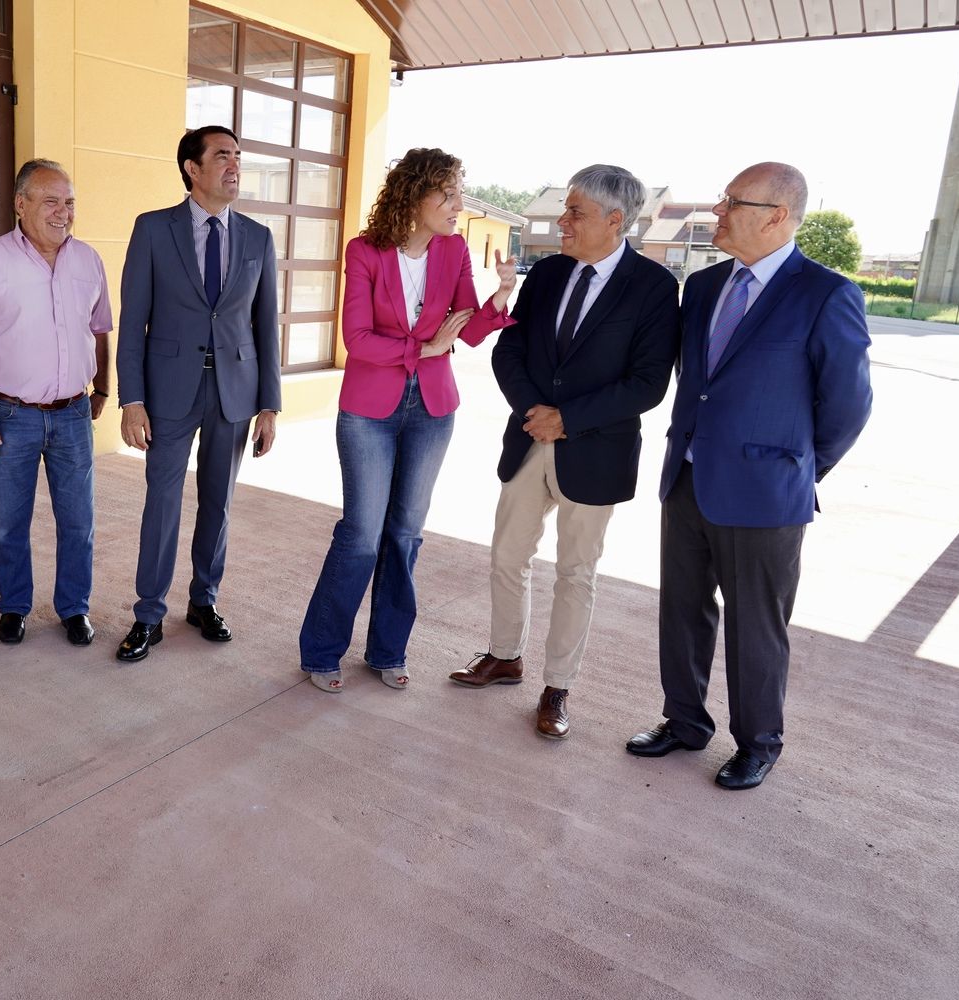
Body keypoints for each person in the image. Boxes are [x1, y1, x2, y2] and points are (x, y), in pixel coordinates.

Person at [626, 162, 872, 790]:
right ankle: (683, 722)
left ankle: (759, 741)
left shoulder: (825, 293)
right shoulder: (703, 287)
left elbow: (847, 403)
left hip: (767, 492)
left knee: (755, 623)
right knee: (682, 610)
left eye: (732, 201)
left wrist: (798, 465)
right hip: (687, 477)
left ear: (776, 215)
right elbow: (697, 384)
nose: (718, 211)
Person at [450, 164, 679, 740]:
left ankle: (557, 687)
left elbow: (648, 383)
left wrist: (568, 419)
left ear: (615, 220)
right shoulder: (548, 272)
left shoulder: (653, 287)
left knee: (576, 573)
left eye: (575, 211)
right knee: (507, 555)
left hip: (596, 451)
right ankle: (505, 656)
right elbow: (511, 351)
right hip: (529, 438)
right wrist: (536, 412)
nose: (562, 221)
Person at [299, 148, 516, 693]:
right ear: (414, 195)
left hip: (432, 410)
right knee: (362, 536)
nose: (457, 204)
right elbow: (358, 341)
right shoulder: (366, 252)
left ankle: (387, 650)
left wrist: (501, 297)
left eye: (459, 193)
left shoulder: (453, 250)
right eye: (447, 193)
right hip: (370, 411)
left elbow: (464, 328)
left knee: (404, 535)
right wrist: (425, 348)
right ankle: (323, 650)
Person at [114, 126, 281, 662]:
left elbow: (265, 327)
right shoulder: (153, 229)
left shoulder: (257, 236)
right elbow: (133, 319)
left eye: (238, 156)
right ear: (192, 167)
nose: (234, 165)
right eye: (222, 156)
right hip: (168, 391)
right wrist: (131, 398)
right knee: (162, 500)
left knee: (219, 501)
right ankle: (148, 614)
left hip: (235, 388)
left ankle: (204, 601)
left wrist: (270, 404)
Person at [0, 160, 113, 646]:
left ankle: (74, 608)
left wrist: (101, 389)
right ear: (21, 204)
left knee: (78, 520)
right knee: (8, 522)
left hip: (74, 413)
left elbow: (100, 331)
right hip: (7, 415)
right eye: (51, 201)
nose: (64, 213)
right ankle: (14, 606)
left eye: (70, 203)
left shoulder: (88, 260)